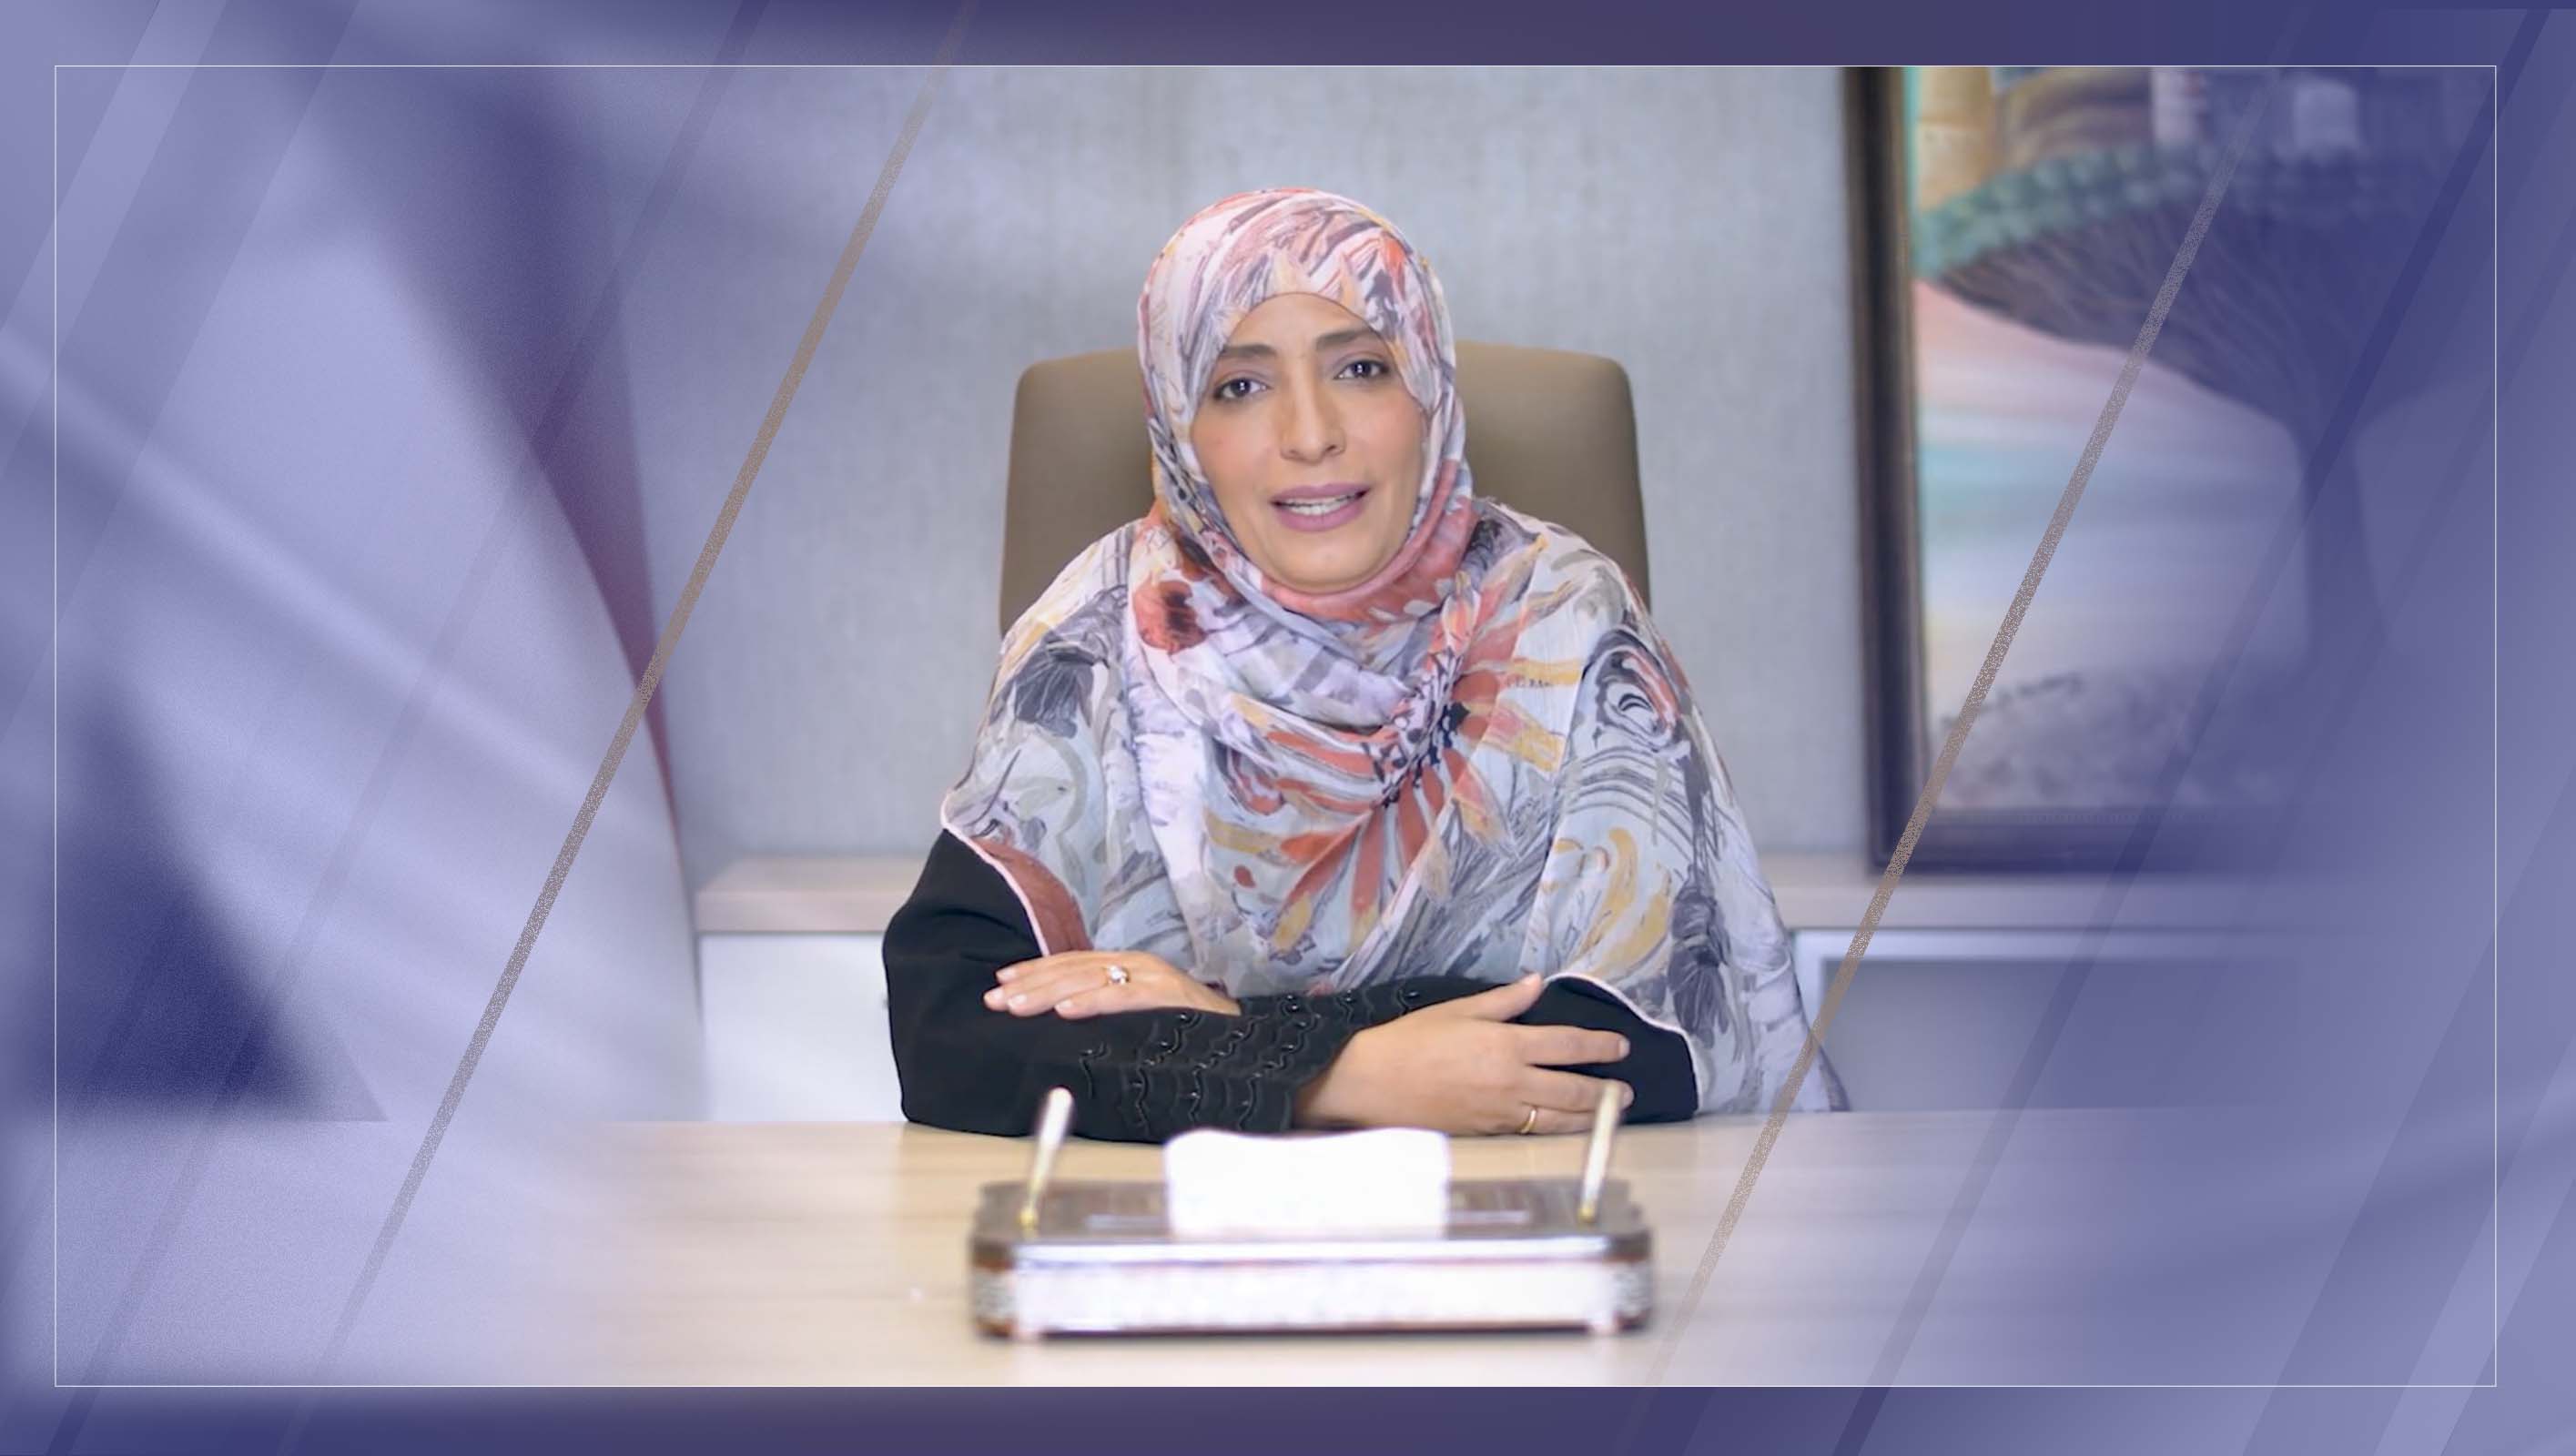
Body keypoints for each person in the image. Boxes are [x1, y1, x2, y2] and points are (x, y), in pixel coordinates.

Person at [885, 187, 1841, 1143]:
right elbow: (950, 1032)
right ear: (1179, 426)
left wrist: (1238, 1035)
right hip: (1189, 1213)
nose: (1310, 435)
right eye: (1239, 386)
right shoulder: (1096, 632)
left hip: (1521, 1206)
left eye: (1360, 368)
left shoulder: (1563, 614)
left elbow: (1650, 1037)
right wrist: (1336, 1077)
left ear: (1428, 390)